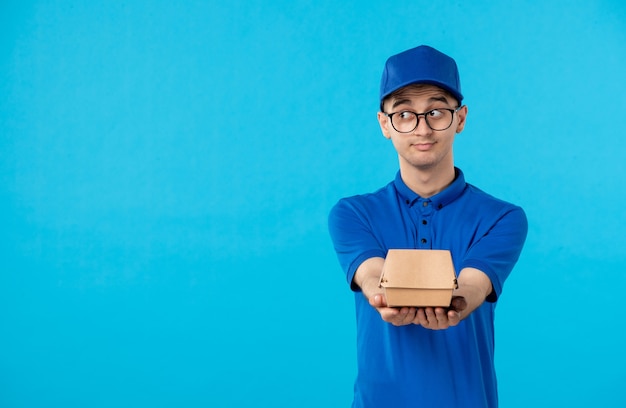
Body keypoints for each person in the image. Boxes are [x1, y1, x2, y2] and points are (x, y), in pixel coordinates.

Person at [328, 45, 528, 408]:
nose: (422, 127)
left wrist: (453, 303)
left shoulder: (503, 218)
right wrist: (383, 296)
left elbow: (472, 285)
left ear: (461, 118)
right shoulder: (353, 214)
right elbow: (373, 276)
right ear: (384, 124)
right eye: (404, 113)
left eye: (436, 111)